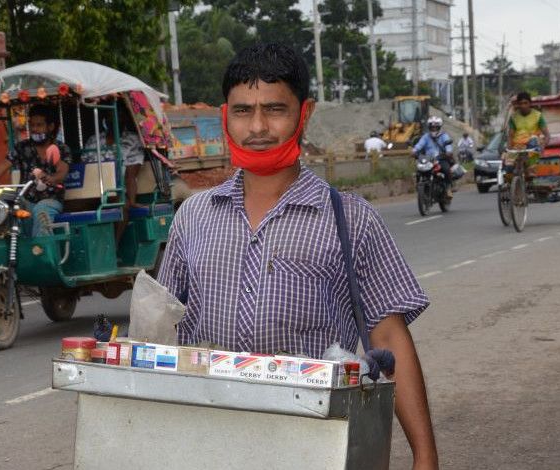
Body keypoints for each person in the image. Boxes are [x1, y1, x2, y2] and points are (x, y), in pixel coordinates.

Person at [157, 43, 438, 469]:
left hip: (317, 445)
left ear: (303, 115)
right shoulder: (193, 217)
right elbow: (160, 332)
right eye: (242, 111)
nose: (257, 127)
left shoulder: (351, 220)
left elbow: (389, 339)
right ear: (224, 116)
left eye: (274, 109)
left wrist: (425, 455)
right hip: (207, 444)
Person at [0, 105, 71, 236]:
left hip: (51, 200)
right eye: (32, 125)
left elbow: (61, 173)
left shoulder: (61, 148)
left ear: (51, 126)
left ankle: (42, 253)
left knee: (41, 211)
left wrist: (49, 179)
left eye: (39, 125)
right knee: (5, 208)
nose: (34, 129)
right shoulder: (21, 147)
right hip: (25, 199)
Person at [412, 116, 455, 197]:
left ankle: (448, 188)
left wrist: (448, 152)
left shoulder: (444, 136)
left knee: (446, 169)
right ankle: (419, 186)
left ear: (439, 127)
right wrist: (414, 151)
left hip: (441, 158)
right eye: (432, 127)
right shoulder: (426, 137)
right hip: (428, 159)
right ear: (429, 127)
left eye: (435, 127)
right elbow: (419, 145)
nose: (433, 129)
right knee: (418, 171)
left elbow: (448, 145)